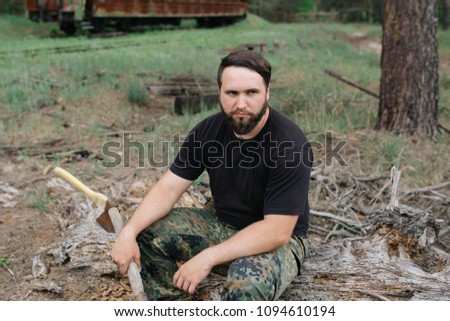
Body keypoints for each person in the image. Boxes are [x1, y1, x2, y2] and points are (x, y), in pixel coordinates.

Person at [112, 50, 313, 300]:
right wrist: (129, 232)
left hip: (280, 241)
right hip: (221, 222)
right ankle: (169, 302)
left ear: (267, 92)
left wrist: (209, 257)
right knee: (148, 233)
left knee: (247, 285)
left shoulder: (290, 144)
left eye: (251, 92)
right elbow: (169, 188)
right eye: (232, 93)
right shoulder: (208, 131)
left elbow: (277, 231)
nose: (241, 104)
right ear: (219, 93)